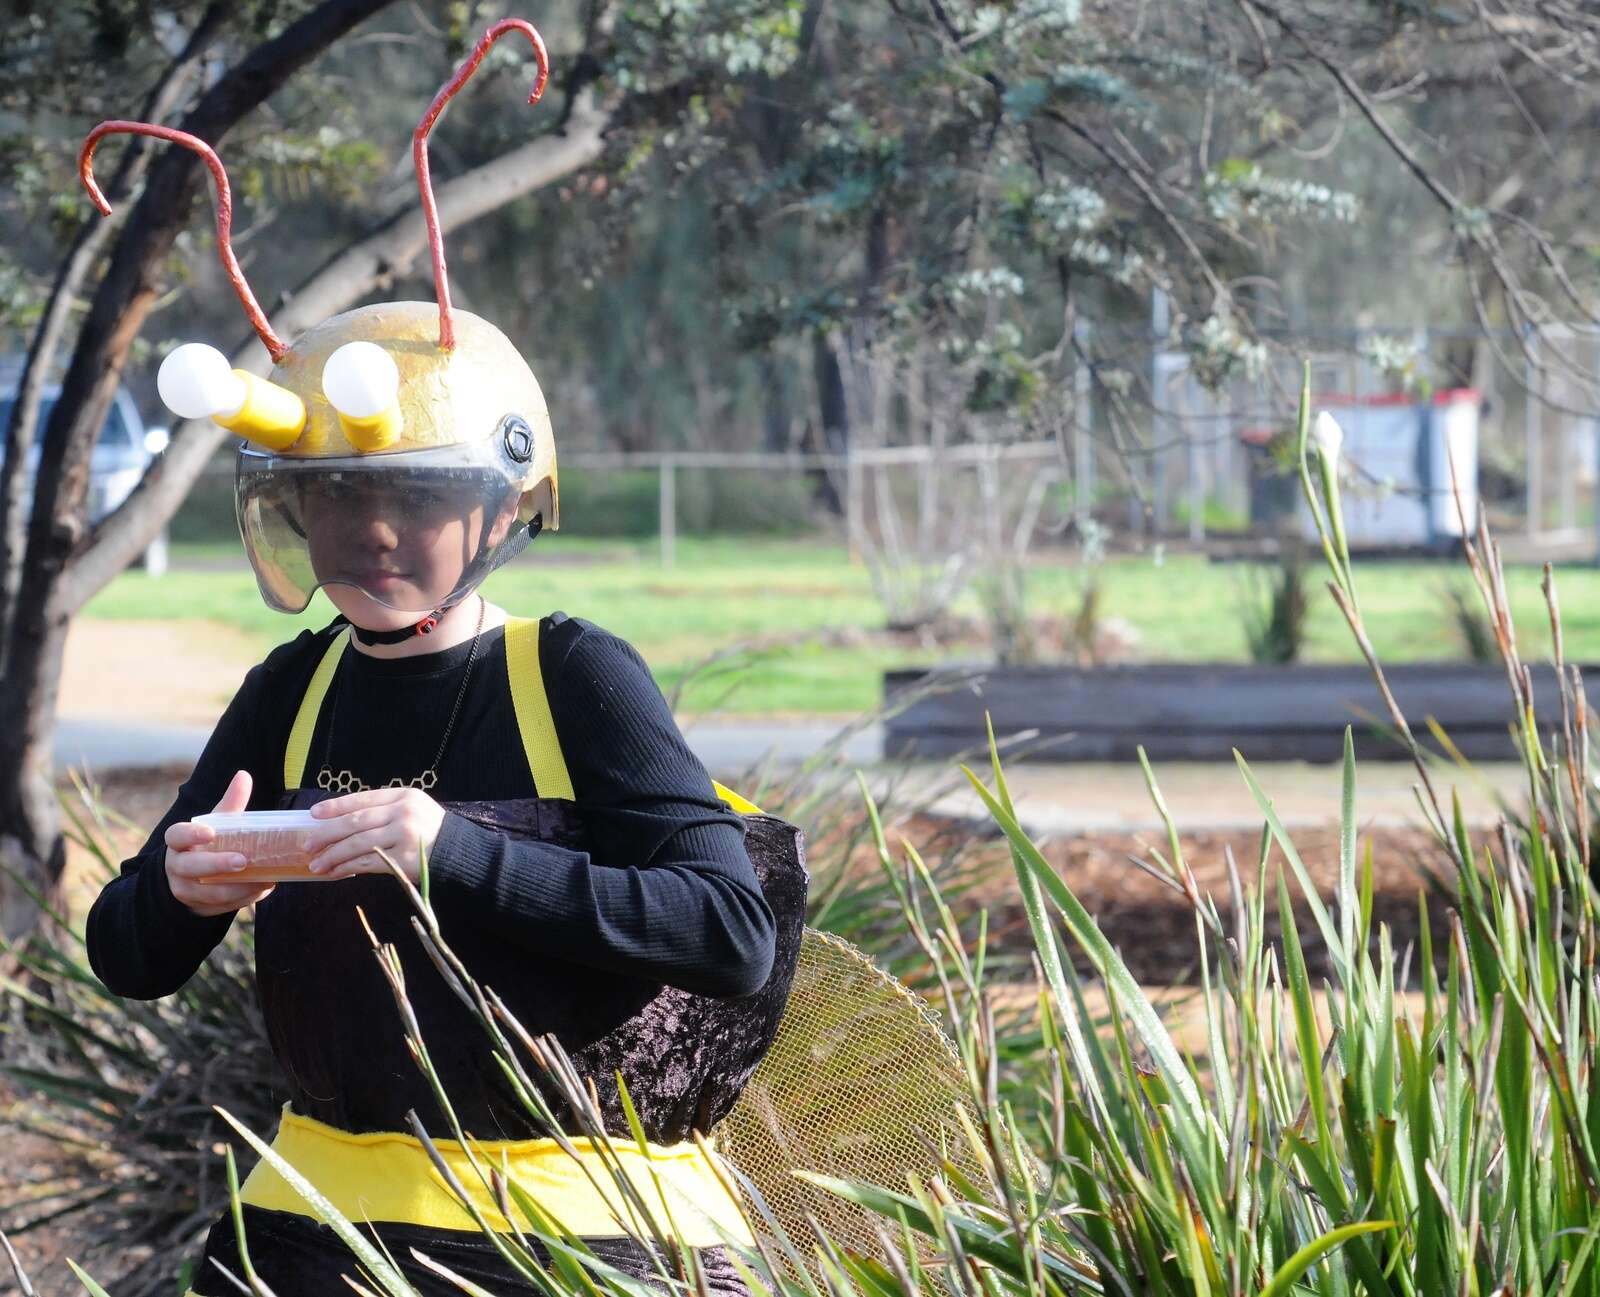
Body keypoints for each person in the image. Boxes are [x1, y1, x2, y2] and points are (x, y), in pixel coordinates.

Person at [79, 42, 804, 1294]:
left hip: (583, 1233)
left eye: (414, 496)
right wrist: (181, 891)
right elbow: (125, 956)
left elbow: (732, 932)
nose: (370, 533)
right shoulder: (290, 692)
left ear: (501, 507)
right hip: (317, 1229)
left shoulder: (571, 674)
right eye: (335, 496)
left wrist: (452, 850)